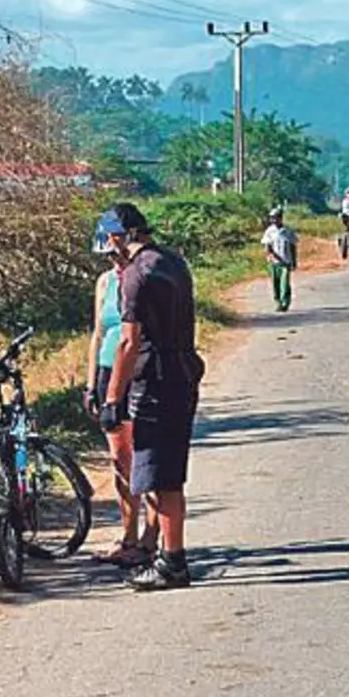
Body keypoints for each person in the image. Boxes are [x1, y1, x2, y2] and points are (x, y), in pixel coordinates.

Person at [96, 203, 206, 591]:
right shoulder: (174, 262)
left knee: (160, 477)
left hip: (155, 383)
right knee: (169, 474)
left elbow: (128, 342)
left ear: (117, 236)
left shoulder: (134, 274)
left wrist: (112, 399)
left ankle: (172, 563)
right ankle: (169, 556)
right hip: (183, 374)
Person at [83, 229, 158, 568]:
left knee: (146, 454)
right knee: (120, 457)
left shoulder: (143, 279)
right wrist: (90, 385)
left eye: (117, 255)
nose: (115, 262)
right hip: (106, 371)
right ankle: (128, 535)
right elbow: (98, 335)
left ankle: (151, 537)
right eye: (108, 257)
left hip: (139, 371)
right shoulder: (105, 283)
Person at [260, 206, 299, 313]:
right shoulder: (269, 231)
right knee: (275, 284)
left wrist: (294, 261)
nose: (273, 220)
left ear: (280, 218)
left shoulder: (287, 231)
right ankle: (278, 302)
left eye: (275, 218)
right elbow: (267, 246)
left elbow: (293, 246)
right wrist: (271, 256)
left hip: (286, 262)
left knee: (284, 283)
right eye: (272, 218)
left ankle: (285, 303)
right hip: (274, 262)